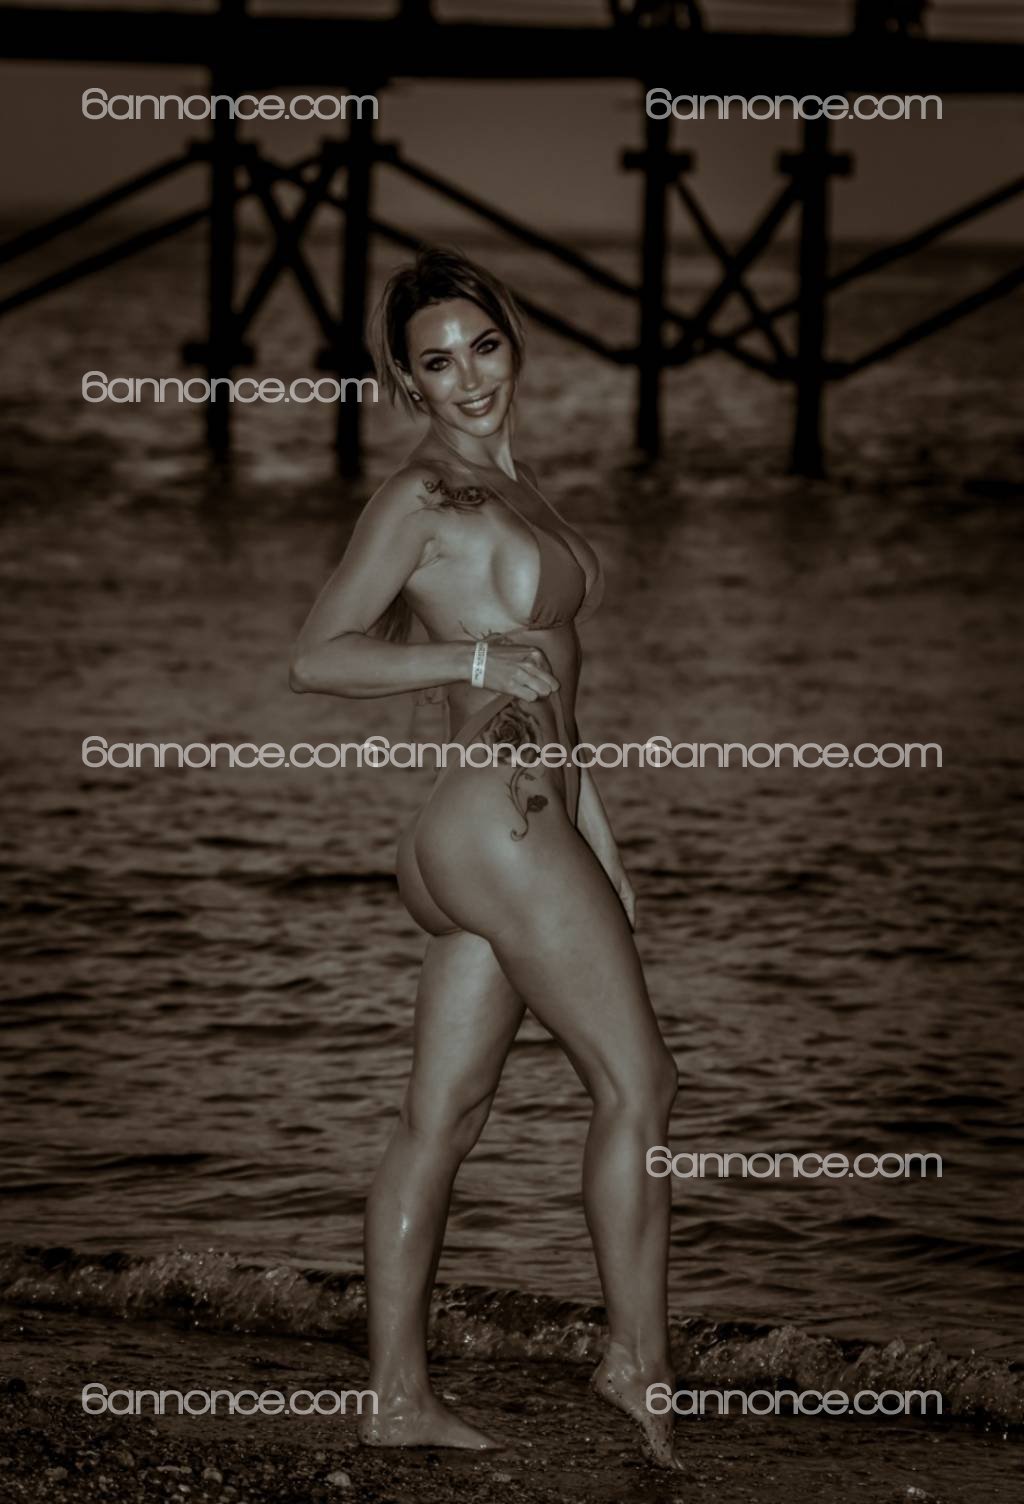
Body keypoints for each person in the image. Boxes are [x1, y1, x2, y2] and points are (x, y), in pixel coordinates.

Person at [289, 247, 682, 1469]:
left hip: (514, 824)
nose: (467, 378)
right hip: (493, 824)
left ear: (513, 342)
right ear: (406, 382)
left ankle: (395, 1399)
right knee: (641, 1087)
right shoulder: (425, 495)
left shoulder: (515, 489)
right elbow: (318, 654)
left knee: (441, 1116)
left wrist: (600, 843)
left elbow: (559, 695)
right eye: (437, 362)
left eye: (484, 346)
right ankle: (636, 1361)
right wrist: (462, 660)